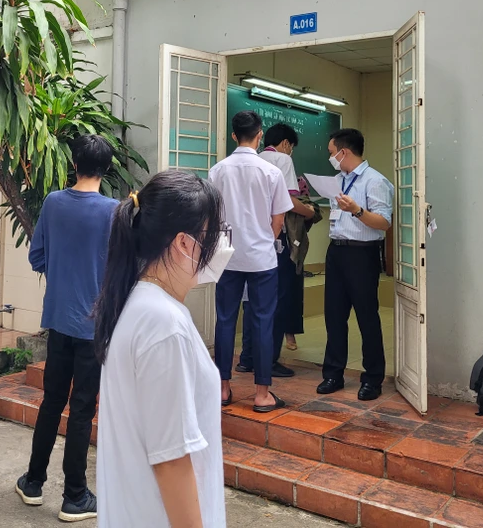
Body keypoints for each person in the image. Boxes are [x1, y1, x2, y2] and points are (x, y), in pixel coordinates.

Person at [94, 170, 232, 528]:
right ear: (184, 243)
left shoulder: (141, 303)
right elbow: (171, 460)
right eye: (214, 234)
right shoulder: (164, 324)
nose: (220, 244)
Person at [16, 135, 118, 522]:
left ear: (73, 164)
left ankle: (33, 482)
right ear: (107, 169)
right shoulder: (115, 212)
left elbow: (37, 257)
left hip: (58, 320)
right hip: (94, 326)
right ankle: (74, 495)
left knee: (52, 402)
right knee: (81, 410)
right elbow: (124, 267)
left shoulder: (53, 202)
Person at [210, 111, 292, 412]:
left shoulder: (217, 171)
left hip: (227, 257)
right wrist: (263, 240)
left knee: (225, 320)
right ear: (260, 135)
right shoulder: (271, 172)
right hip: (261, 259)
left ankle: (223, 388)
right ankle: (261, 394)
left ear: (234, 136)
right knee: (262, 321)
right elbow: (278, 220)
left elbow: (212, 215)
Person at [317, 128, 394, 402]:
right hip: (336, 252)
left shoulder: (375, 181)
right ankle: (333, 374)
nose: (330, 158)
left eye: (332, 153)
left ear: (344, 152)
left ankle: (372, 378)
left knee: (366, 317)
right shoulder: (337, 181)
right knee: (334, 315)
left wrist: (356, 211)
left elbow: (384, 223)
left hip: (362, 255)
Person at [237, 125, 318, 371]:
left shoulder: (248, 160)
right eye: (291, 147)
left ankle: (247, 358)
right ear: (285, 144)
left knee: (251, 301)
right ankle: (269, 360)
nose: (290, 152)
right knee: (276, 300)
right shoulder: (282, 160)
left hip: (247, 239)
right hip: (275, 241)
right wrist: (310, 211)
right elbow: (288, 202)